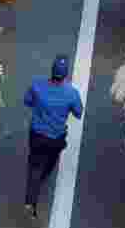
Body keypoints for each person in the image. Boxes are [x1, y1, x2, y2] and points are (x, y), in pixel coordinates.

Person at [24, 55, 84, 219]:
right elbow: (78, 113)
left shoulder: (37, 87)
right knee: (49, 163)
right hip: (56, 138)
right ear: (66, 74)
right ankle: (38, 183)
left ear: (52, 71)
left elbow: (27, 101)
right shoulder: (71, 93)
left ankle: (31, 200)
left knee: (34, 165)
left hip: (36, 135)